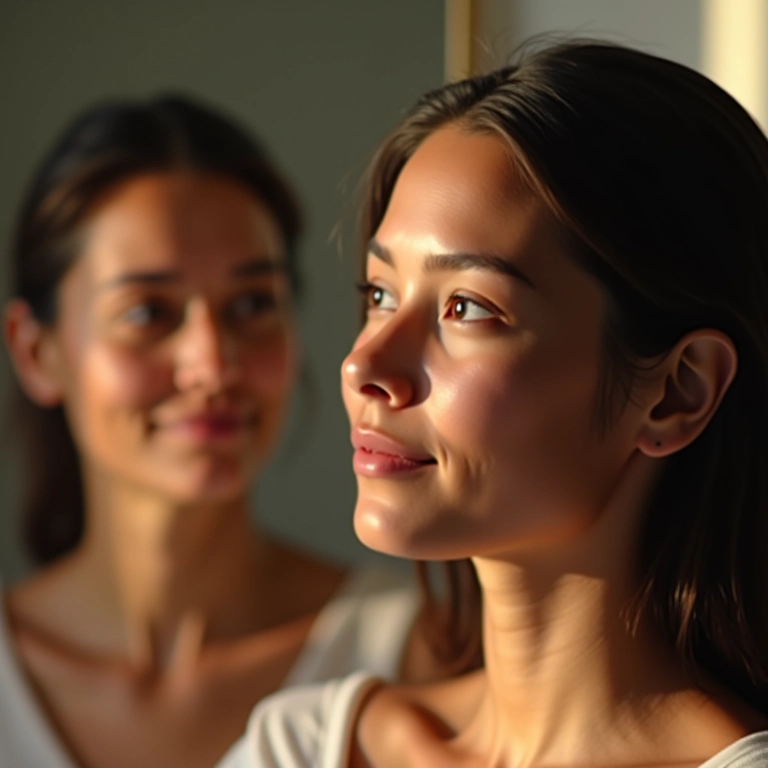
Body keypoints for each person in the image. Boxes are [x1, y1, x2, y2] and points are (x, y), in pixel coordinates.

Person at [217, 40, 768, 767]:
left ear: (677, 392)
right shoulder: (305, 745)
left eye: (467, 309)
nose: (364, 364)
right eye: (380, 296)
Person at [0, 95, 433, 768]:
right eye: (148, 311)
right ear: (35, 351)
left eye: (252, 304)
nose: (213, 364)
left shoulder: (414, 651)